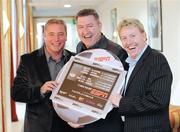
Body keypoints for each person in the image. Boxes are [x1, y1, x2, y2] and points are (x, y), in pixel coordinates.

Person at [11, 19, 76, 132]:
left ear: (66, 36)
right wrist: (40, 90)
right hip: (39, 127)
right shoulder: (28, 60)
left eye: (60, 34)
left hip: (70, 126)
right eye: (51, 34)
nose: (56, 39)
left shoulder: (76, 60)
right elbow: (17, 93)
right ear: (44, 36)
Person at [68, 8, 127, 132]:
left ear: (99, 25)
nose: (85, 31)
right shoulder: (80, 47)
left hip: (107, 123)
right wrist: (74, 116)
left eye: (90, 26)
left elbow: (123, 92)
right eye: (81, 27)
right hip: (85, 121)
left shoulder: (116, 52)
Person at [110, 18, 173, 132]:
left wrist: (121, 102)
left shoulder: (157, 60)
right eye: (124, 38)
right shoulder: (126, 63)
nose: (129, 42)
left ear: (144, 35)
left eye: (133, 36)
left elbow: (158, 100)